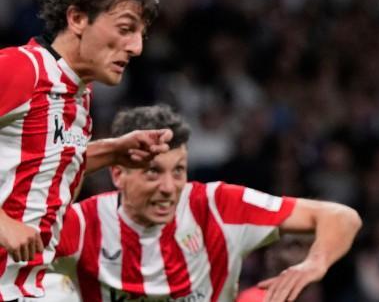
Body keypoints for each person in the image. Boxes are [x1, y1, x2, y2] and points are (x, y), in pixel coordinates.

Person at [47, 104, 362, 302]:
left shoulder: (219, 205)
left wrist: (315, 262)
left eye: (179, 171)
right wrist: (91, 157)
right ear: (118, 174)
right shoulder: (82, 223)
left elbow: (340, 217)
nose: (169, 188)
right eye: (153, 172)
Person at [0, 0, 175, 301]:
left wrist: (113, 150)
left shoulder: (78, 97)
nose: (137, 47)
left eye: (141, 34)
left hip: (26, 285)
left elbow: (38, 164)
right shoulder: (22, 69)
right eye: (126, 29)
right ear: (77, 17)